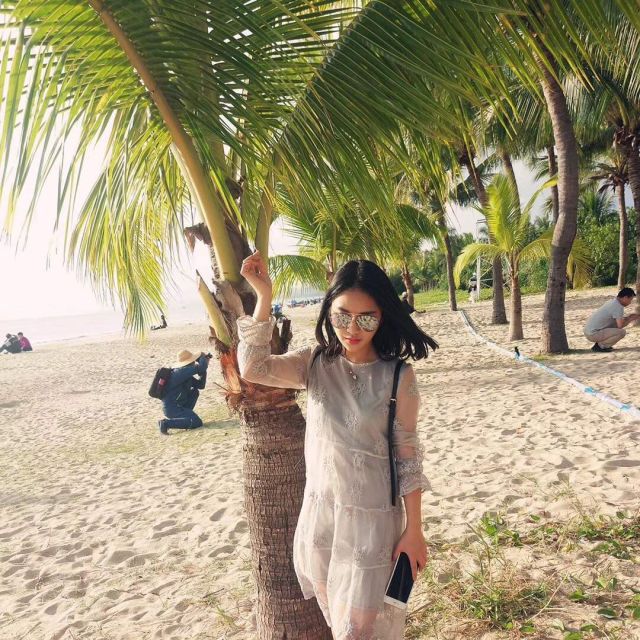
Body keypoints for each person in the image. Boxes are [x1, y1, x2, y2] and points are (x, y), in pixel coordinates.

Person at [238, 250, 438, 639]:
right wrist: (263, 296)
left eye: (367, 317)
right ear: (329, 311)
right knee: (338, 624)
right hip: (321, 518)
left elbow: (408, 458)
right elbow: (253, 367)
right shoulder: (313, 364)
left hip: (372, 523)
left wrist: (414, 529)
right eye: (342, 316)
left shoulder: (398, 376)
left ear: (383, 316)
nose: (353, 328)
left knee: (356, 631)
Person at [158, 350, 209, 434]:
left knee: (194, 392)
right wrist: (203, 357)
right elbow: (202, 367)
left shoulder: (184, 374)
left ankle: (185, 418)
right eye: (193, 360)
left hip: (178, 404)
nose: (194, 362)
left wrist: (204, 369)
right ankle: (165, 424)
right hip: (172, 408)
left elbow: (200, 385)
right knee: (197, 422)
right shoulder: (180, 372)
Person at [584, 287, 639, 352]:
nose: (630, 303)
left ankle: (601, 344)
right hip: (593, 334)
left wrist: (628, 317)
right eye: (630, 300)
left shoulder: (613, 302)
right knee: (621, 332)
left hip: (589, 331)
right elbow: (620, 326)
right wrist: (630, 319)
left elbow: (618, 322)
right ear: (625, 297)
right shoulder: (618, 306)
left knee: (617, 327)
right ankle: (600, 346)